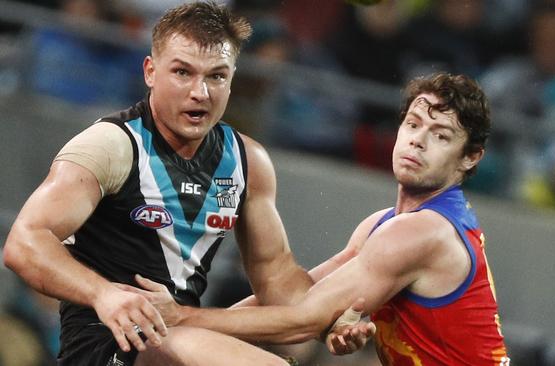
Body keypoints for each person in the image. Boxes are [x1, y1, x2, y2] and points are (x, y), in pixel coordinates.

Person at [2, 2, 371, 366]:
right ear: (150, 71)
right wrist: (104, 295)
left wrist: (331, 324)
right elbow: (23, 243)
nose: (201, 92)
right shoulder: (111, 145)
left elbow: (278, 281)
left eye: (217, 76)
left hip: (178, 338)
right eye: (183, 72)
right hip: (107, 347)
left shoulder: (248, 161)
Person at [123, 72, 511, 365]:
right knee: (174, 345)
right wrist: (173, 325)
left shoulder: (422, 232)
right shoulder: (384, 224)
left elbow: (300, 322)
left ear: (470, 157)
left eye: (441, 136)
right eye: (413, 124)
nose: (417, 141)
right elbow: (299, 297)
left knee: (183, 344)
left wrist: (182, 317)